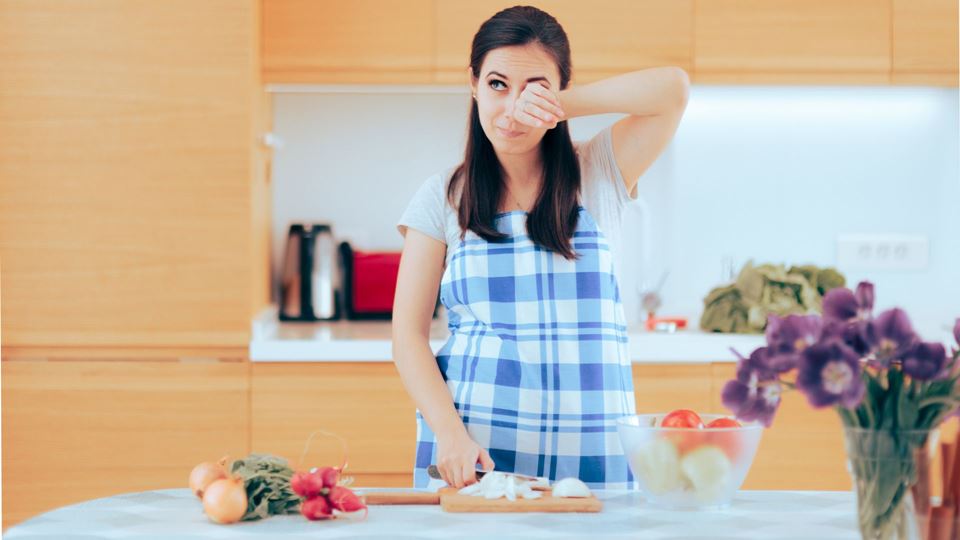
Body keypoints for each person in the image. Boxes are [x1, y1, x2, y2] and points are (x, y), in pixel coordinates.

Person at [392, 5, 689, 490]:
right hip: (476, 455)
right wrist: (450, 435)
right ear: (473, 84)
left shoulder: (599, 171)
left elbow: (672, 90)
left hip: (591, 455)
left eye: (535, 88)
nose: (513, 109)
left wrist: (558, 105)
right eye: (497, 85)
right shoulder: (442, 195)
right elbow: (407, 336)